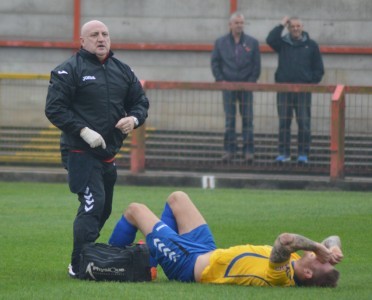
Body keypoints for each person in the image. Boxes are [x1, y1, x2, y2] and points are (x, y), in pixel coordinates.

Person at [45, 20, 149, 278]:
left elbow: (140, 102)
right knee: (93, 205)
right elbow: (54, 108)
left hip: (108, 152)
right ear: (82, 41)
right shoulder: (69, 70)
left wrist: (134, 119)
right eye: (94, 35)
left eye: (105, 34)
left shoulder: (122, 70)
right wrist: (83, 131)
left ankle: (90, 255)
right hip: (79, 152)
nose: (101, 38)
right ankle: (78, 264)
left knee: (104, 209)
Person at [109, 191, 343, 287]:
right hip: (207, 250)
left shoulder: (282, 275)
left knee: (135, 210)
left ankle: (106, 263)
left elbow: (284, 240)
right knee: (177, 198)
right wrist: (333, 248)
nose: (317, 253)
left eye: (320, 258)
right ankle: (151, 263)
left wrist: (314, 246)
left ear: (308, 274)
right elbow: (333, 237)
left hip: (189, 265)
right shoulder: (295, 260)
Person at [266, 16, 324, 164]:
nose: (295, 29)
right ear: (289, 28)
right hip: (284, 90)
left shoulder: (311, 45)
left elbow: (319, 69)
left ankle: (303, 154)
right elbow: (270, 40)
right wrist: (281, 24)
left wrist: (309, 82)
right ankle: (284, 153)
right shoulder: (282, 44)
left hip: (303, 92)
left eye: (298, 26)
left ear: (302, 27)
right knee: (284, 123)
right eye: (292, 26)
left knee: (304, 123)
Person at [211, 12, 261, 163]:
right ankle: (229, 150)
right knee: (229, 120)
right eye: (237, 23)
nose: (239, 25)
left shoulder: (252, 42)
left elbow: (256, 65)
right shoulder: (220, 43)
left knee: (248, 119)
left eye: (241, 23)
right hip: (228, 87)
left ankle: (248, 151)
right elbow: (215, 63)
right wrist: (221, 81)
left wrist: (250, 82)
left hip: (246, 88)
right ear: (230, 25)